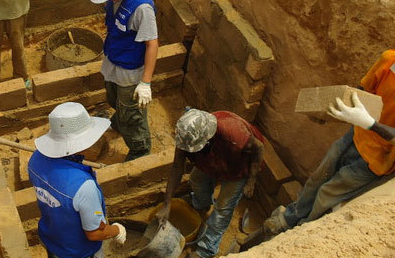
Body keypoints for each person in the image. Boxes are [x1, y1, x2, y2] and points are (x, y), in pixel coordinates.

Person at [265, 49, 395, 235]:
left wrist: (370, 124)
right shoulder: (390, 60)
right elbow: (362, 92)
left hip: (377, 159)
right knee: (319, 177)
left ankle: (299, 233)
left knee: (327, 195)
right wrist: (327, 111)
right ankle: (290, 218)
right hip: (355, 134)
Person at [159, 108, 264, 257]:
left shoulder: (233, 134)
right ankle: (201, 203)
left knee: (222, 208)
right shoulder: (186, 136)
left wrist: (251, 182)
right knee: (196, 179)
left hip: (237, 167)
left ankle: (207, 248)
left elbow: (259, 148)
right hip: (213, 161)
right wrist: (167, 204)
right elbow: (177, 167)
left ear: (207, 139)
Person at [28, 102, 126, 258]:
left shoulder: (35, 159)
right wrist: (117, 230)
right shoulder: (83, 186)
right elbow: (94, 233)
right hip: (78, 251)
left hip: (52, 238)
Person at [86, 0, 158, 160]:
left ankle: (140, 150)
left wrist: (145, 82)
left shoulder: (142, 8)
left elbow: (152, 44)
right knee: (112, 97)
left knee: (132, 116)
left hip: (130, 70)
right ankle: (118, 122)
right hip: (114, 59)